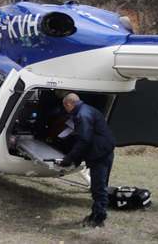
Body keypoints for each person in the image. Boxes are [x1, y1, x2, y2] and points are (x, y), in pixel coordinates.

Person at [57, 93, 115, 228]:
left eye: (65, 107)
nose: (65, 110)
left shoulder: (82, 115)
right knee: (100, 186)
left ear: (69, 104)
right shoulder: (88, 109)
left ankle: (98, 219)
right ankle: (96, 214)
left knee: (98, 188)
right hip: (106, 150)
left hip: (99, 154)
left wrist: (69, 159)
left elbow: (84, 140)